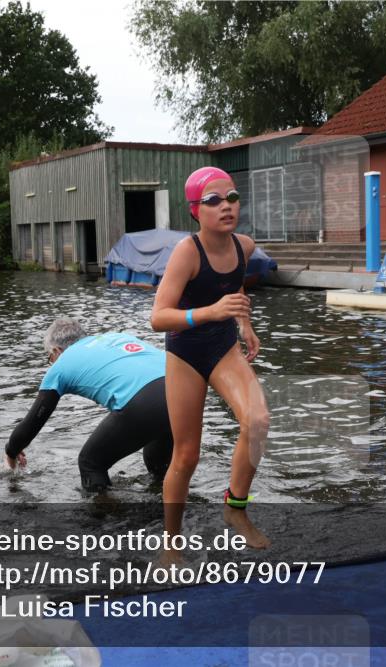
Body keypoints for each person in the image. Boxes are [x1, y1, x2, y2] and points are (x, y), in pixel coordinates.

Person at [151, 166, 270, 562]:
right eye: (213, 200)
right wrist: (210, 311)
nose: (226, 206)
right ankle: (171, 544)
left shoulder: (245, 246)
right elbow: (158, 317)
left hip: (222, 346)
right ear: (194, 211)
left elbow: (233, 283)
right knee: (186, 455)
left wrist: (244, 322)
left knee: (257, 422)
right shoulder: (187, 252)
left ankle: (235, 510)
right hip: (185, 351)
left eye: (232, 197)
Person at [5, 318, 173, 493]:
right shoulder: (116, 337)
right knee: (157, 464)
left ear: (56, 350)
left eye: (50, 358)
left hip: (144, 401)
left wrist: (11, 452)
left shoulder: (62, 364)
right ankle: (170, 510)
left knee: (90, 463)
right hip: (183, 392)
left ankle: (104, 518)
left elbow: (32, 424)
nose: (52, 362)